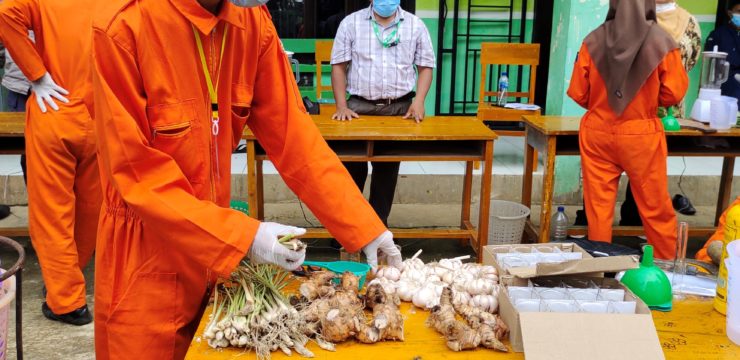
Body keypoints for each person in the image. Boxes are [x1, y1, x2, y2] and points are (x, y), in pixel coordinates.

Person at [91, 0, 402, 358]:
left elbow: (293, 136)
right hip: (145, 254)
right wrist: (245, 236)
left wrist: (364, 226)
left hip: (217, 252)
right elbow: (135, 173)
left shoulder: (251, 22)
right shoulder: (124, 26)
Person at [0, 0, 101, 325]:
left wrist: (37, 75)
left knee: (52, 215)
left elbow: (4, 12)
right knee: (91, 209)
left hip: (55, 106)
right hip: (102, 114)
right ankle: (66, 282)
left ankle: (67, 299)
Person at [567, 0, 688, 260]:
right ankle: (666, 268)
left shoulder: (593, 40)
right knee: (655, 207)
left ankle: (600, 269)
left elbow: (579, 92)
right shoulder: (662, 42)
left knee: (598, 208)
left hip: (598, 131)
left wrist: (603, 104)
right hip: (641, 134)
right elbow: (673, 93)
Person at [330, 0, 435, 225]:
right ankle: (350, 228)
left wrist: (419, 101)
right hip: (358, 109)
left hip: (399, 109)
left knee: (386, 170)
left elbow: (426, 66)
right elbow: (339, 65)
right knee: (351, 170)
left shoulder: (416, 25)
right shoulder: (351, 23)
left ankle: (378, 228)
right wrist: (341, 105)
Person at [706, 0, 740, 105]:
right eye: (739, 11)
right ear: (730, 13)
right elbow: (710, 62)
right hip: (726, 84)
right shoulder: (718, 34)